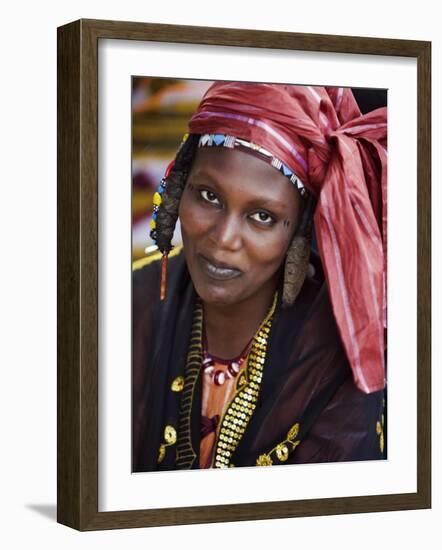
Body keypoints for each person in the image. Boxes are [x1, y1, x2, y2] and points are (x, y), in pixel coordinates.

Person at [132, 82, 387, 471]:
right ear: (179, 188)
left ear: (299, 230)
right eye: (208, 196)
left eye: (262, 216)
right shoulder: (125, 306)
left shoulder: (336, 357)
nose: (223, 238)